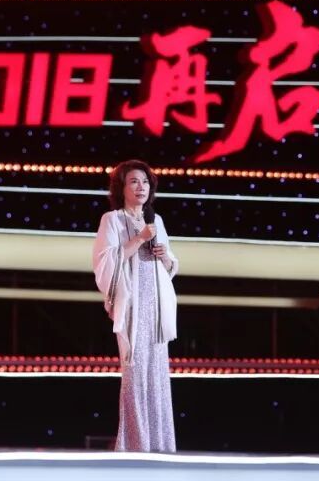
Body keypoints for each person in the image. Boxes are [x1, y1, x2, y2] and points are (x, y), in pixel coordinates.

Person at [92, 160, 180, 452]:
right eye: (133, 181)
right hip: (132, 305)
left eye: (145, 182)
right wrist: (139, 238)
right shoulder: (112, 220)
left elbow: (170, 266)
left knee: (157, 374)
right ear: (122, 187)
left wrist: (164, 255)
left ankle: (160, 444)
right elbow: (105, 262)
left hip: (156, 307)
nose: (141, 187)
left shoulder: (157, 221)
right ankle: (135, 444)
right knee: (135, 372)